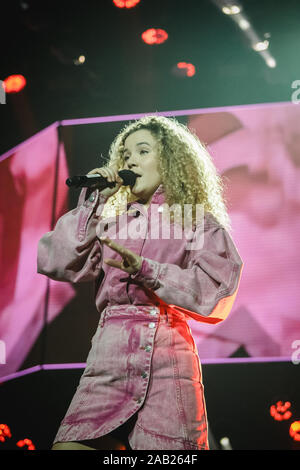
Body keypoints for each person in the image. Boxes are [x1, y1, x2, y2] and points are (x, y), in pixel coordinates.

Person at [37, 115, 243, 450]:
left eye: (142, 151)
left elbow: (217, 290)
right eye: (125, 154)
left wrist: (148, 270)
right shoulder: (110, 222)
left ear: (170, 161)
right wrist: (95, 201)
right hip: (110, 356)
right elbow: (56, 261)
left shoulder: (195, 220)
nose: (130, 160)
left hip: (168, 357)